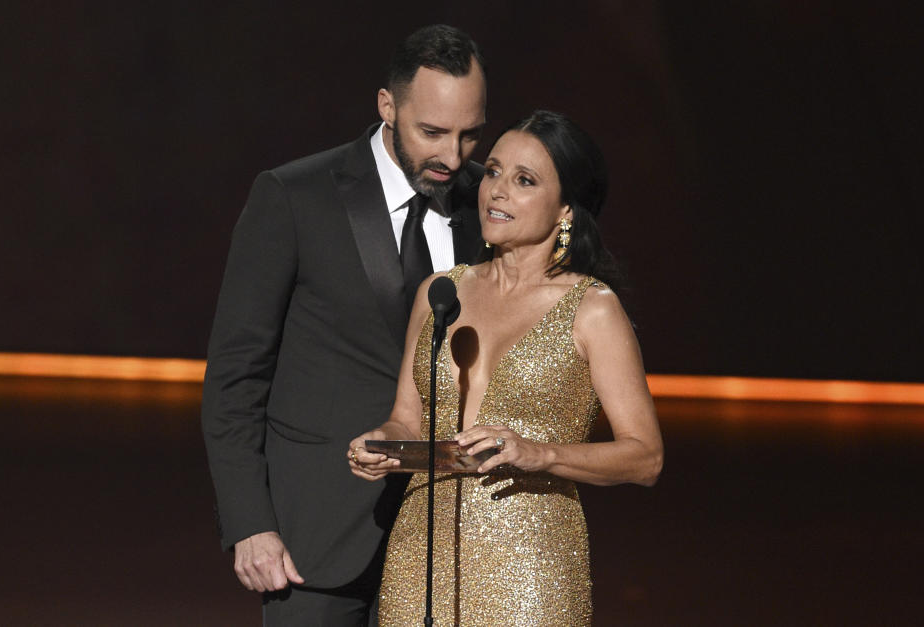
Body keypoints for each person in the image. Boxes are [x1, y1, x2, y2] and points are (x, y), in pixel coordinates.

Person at [201, 25, 487, 626]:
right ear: (387, 105)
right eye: (432, 132)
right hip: (317, 533)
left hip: (453, 537)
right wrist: (250, 521)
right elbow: (236, 375)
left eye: (468, 134)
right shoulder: (293, 196)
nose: (452, 157)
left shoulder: (485, 205)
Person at [347, 110, 664, 625]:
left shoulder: (592, 308)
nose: (496, 191)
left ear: (565, 209)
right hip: (421, 554)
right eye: (492, 172)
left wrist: (538, 452)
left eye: (524, 181)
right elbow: (406, 419)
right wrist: (382, 447)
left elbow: (645, 457)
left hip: (530, 566)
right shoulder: (440, 293)